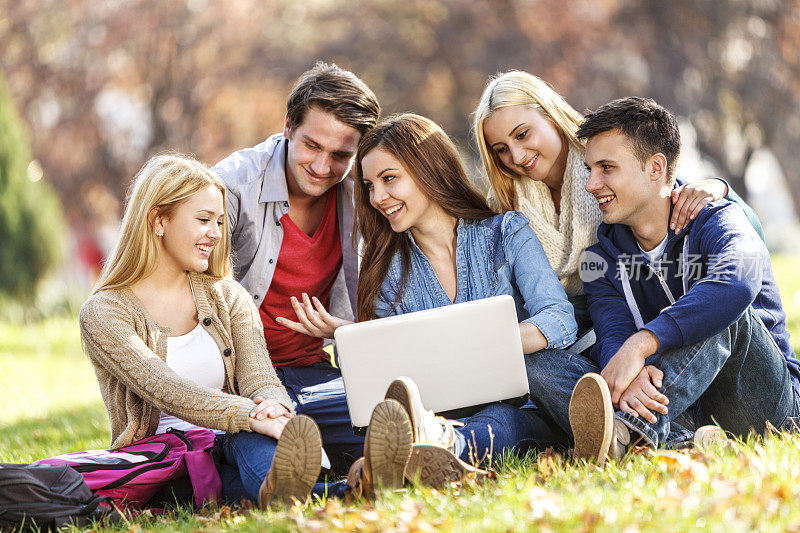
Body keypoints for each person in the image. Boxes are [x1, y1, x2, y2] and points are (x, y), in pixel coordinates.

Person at [78, 154, 414, 508]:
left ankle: (326, 490)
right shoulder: (104, 311)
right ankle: (345, 491)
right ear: (158, 220)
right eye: (204, 220)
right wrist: (250, 416)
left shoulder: (227, 295)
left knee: (251, 447)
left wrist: (276, 410)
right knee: (234, 461)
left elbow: (259, 377)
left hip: (236, 436)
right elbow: (163, 386)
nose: (216, 234)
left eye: (220, 222)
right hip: (166, 460)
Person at [279, 114, 578, 480]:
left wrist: (487, 344)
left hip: (527, 405)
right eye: (370, 185)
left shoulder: (506, 232)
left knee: (501, 419)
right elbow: (383, 379)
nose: (378, 198)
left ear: (429, 169)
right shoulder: (386, 270)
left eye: (389, 179)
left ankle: (423, 453)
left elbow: (559, 319)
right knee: (479, 423)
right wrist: (349, 334)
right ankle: (426, 452)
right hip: (443, 414)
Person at [526, 97, 800, 464]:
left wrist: (643, 343)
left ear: (655, 167)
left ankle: (624, 430)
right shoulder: (600, 259)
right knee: (538, 363)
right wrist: (629, 368)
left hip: (761, 402)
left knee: (726, 312)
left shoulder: (716, 219)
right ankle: (683, 442)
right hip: (676, 404)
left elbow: (739, 281)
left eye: (607, 167)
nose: (592, 184)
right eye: (590, 169)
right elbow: (612, 332)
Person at [473, 70, 760, 340]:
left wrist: (720, 188)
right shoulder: (507, 206)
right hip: (564, 332)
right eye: (501, 149)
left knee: (713, 315)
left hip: (626, 321)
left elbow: (677, 202)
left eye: (522, 134)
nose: (518, 155)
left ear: (550, 116)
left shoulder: (608, 161)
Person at [210, 62, 380, 474]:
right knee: (270, 457)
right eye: (312, 146)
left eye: (341, 155)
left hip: (313, 372)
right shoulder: (230, 187)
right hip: (238, 380)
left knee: (392, 420)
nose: (323, 167)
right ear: (288, 125)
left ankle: (355, 465)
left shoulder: (367, 193)